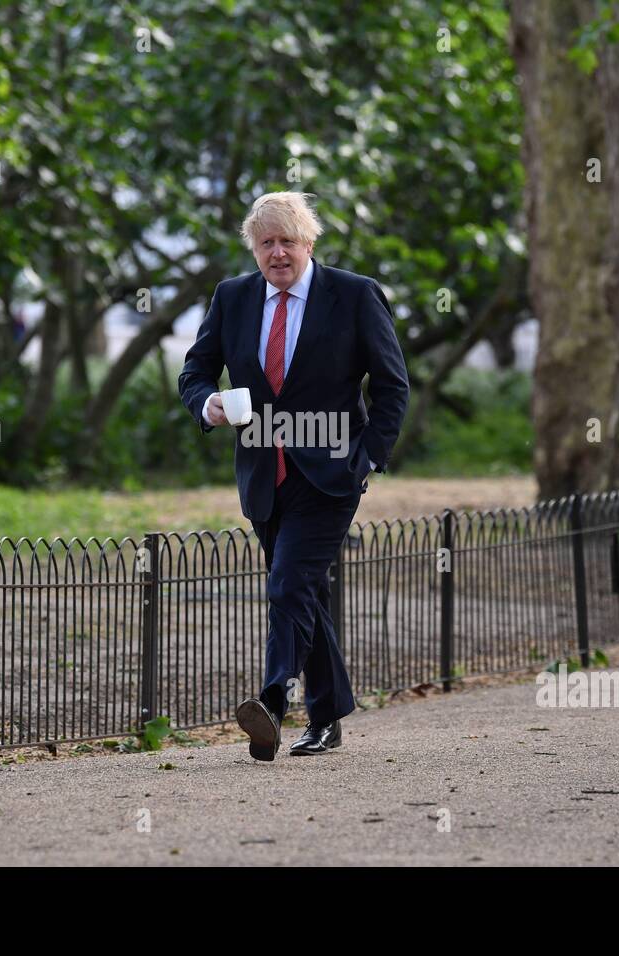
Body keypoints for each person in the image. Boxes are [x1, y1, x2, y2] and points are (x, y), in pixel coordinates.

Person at [178, 191, 410, 760]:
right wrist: (205, 402)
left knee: (287, 584)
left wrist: (367, 459)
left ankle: (273, 700)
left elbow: (392, 384)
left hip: (331, 472)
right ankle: (328, 719)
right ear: (254, 250)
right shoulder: (232, 298)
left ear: (309, 241)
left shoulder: (353, 295)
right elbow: (195, 369)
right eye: (266, 244)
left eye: (288, 241)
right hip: (263, 471)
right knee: (308, 593)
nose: (278, 253)